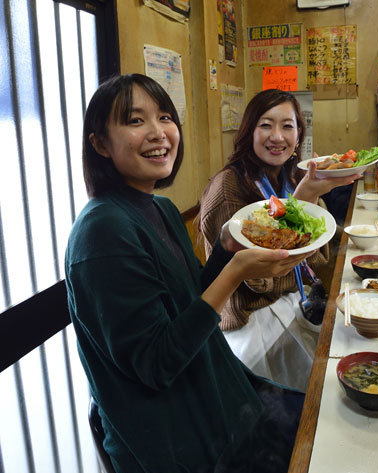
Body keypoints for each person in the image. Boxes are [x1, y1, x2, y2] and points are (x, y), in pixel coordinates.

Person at [65, 73, 311, 472]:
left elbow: (192, 295)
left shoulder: (158, 208)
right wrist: (235, 270)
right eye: (134, 120)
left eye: (165, 117)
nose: (158, 132)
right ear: (99, 143)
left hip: (218, 394)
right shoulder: (101, 233)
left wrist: (228, 247)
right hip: (176, 438)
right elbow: (158, 362)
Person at [198, 89, 357, 391]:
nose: (277, 136)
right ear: (249, 131)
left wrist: (307, 198)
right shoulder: (228, 188)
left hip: (290, 303)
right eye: (266, 125)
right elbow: (259, 280)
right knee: (321, 392)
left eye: (287, 126)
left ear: (299, 135)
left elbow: (317, 257)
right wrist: (302, 203)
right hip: (250, 322)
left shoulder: (290, 178)